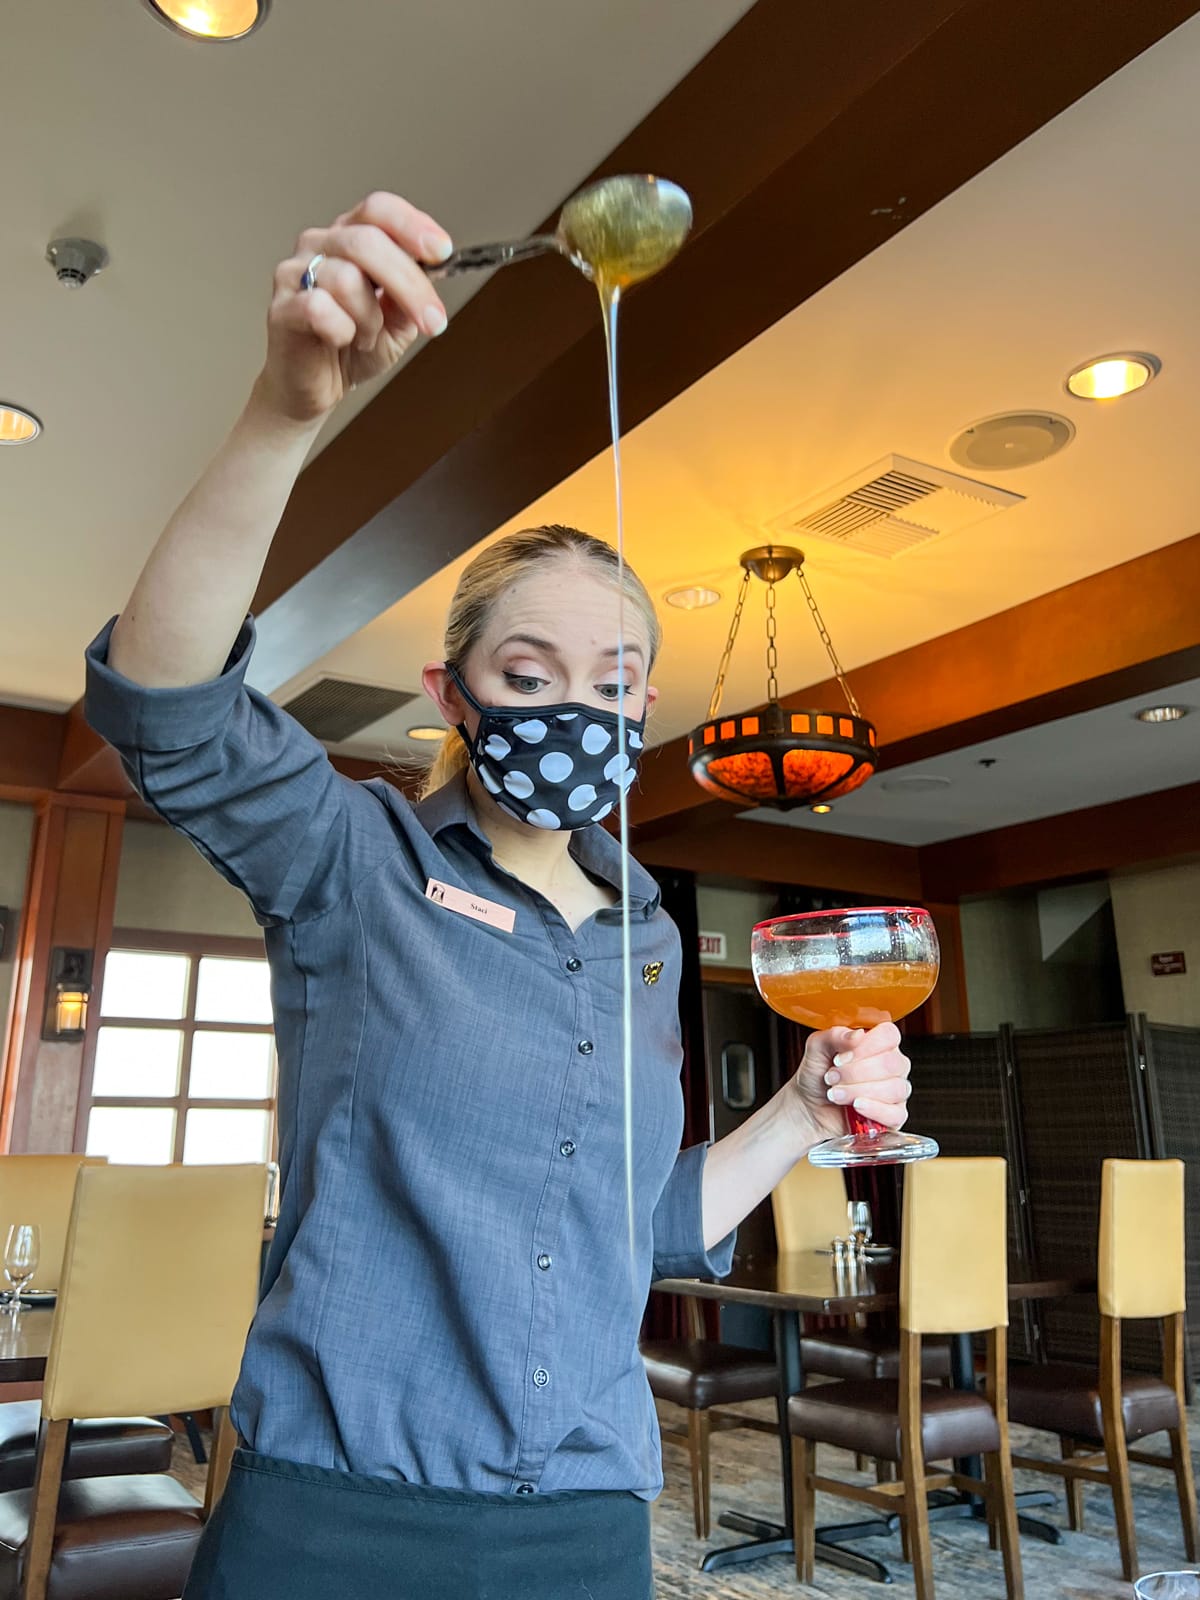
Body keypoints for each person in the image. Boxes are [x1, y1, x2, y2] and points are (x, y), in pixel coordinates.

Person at [84, 192, 914, 1600]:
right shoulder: (358, 866)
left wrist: (803, 1113)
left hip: (587, 1522)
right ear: (453, 694)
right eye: (528, 675)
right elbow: (168, 709)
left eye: (609, 683)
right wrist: (286, 414)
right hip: (334, 1516)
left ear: (643, 706)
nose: (574, 709)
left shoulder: (648, 935)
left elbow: (639, 1226)